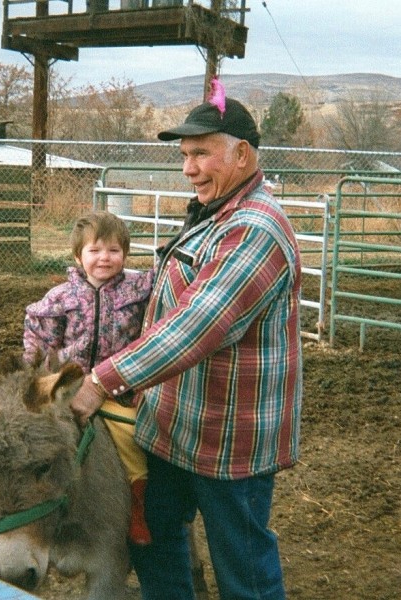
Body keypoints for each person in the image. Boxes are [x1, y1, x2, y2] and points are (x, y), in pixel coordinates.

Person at [71, 93, 303, 599]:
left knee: (243, 569)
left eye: (201, 154)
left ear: (242, 155)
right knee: (153, 536)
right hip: (175, 425)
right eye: (184, 156)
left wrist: (101, 381)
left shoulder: (254, 229)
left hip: (228, 441)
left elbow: (196, 325)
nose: (189, 169)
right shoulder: (212, 213)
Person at [0, 211, 155, 546]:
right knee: (14, 438)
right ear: (78, 257)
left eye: (113, 250)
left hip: (119, 386)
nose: (104, 258)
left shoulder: (137, 290)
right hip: (66, 386)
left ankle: (137, 506)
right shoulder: (61, 298)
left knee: (131, 439)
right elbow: (39, 338)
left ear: (125, 254)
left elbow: (163, 281)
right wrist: (36, 376)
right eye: (95, 251)